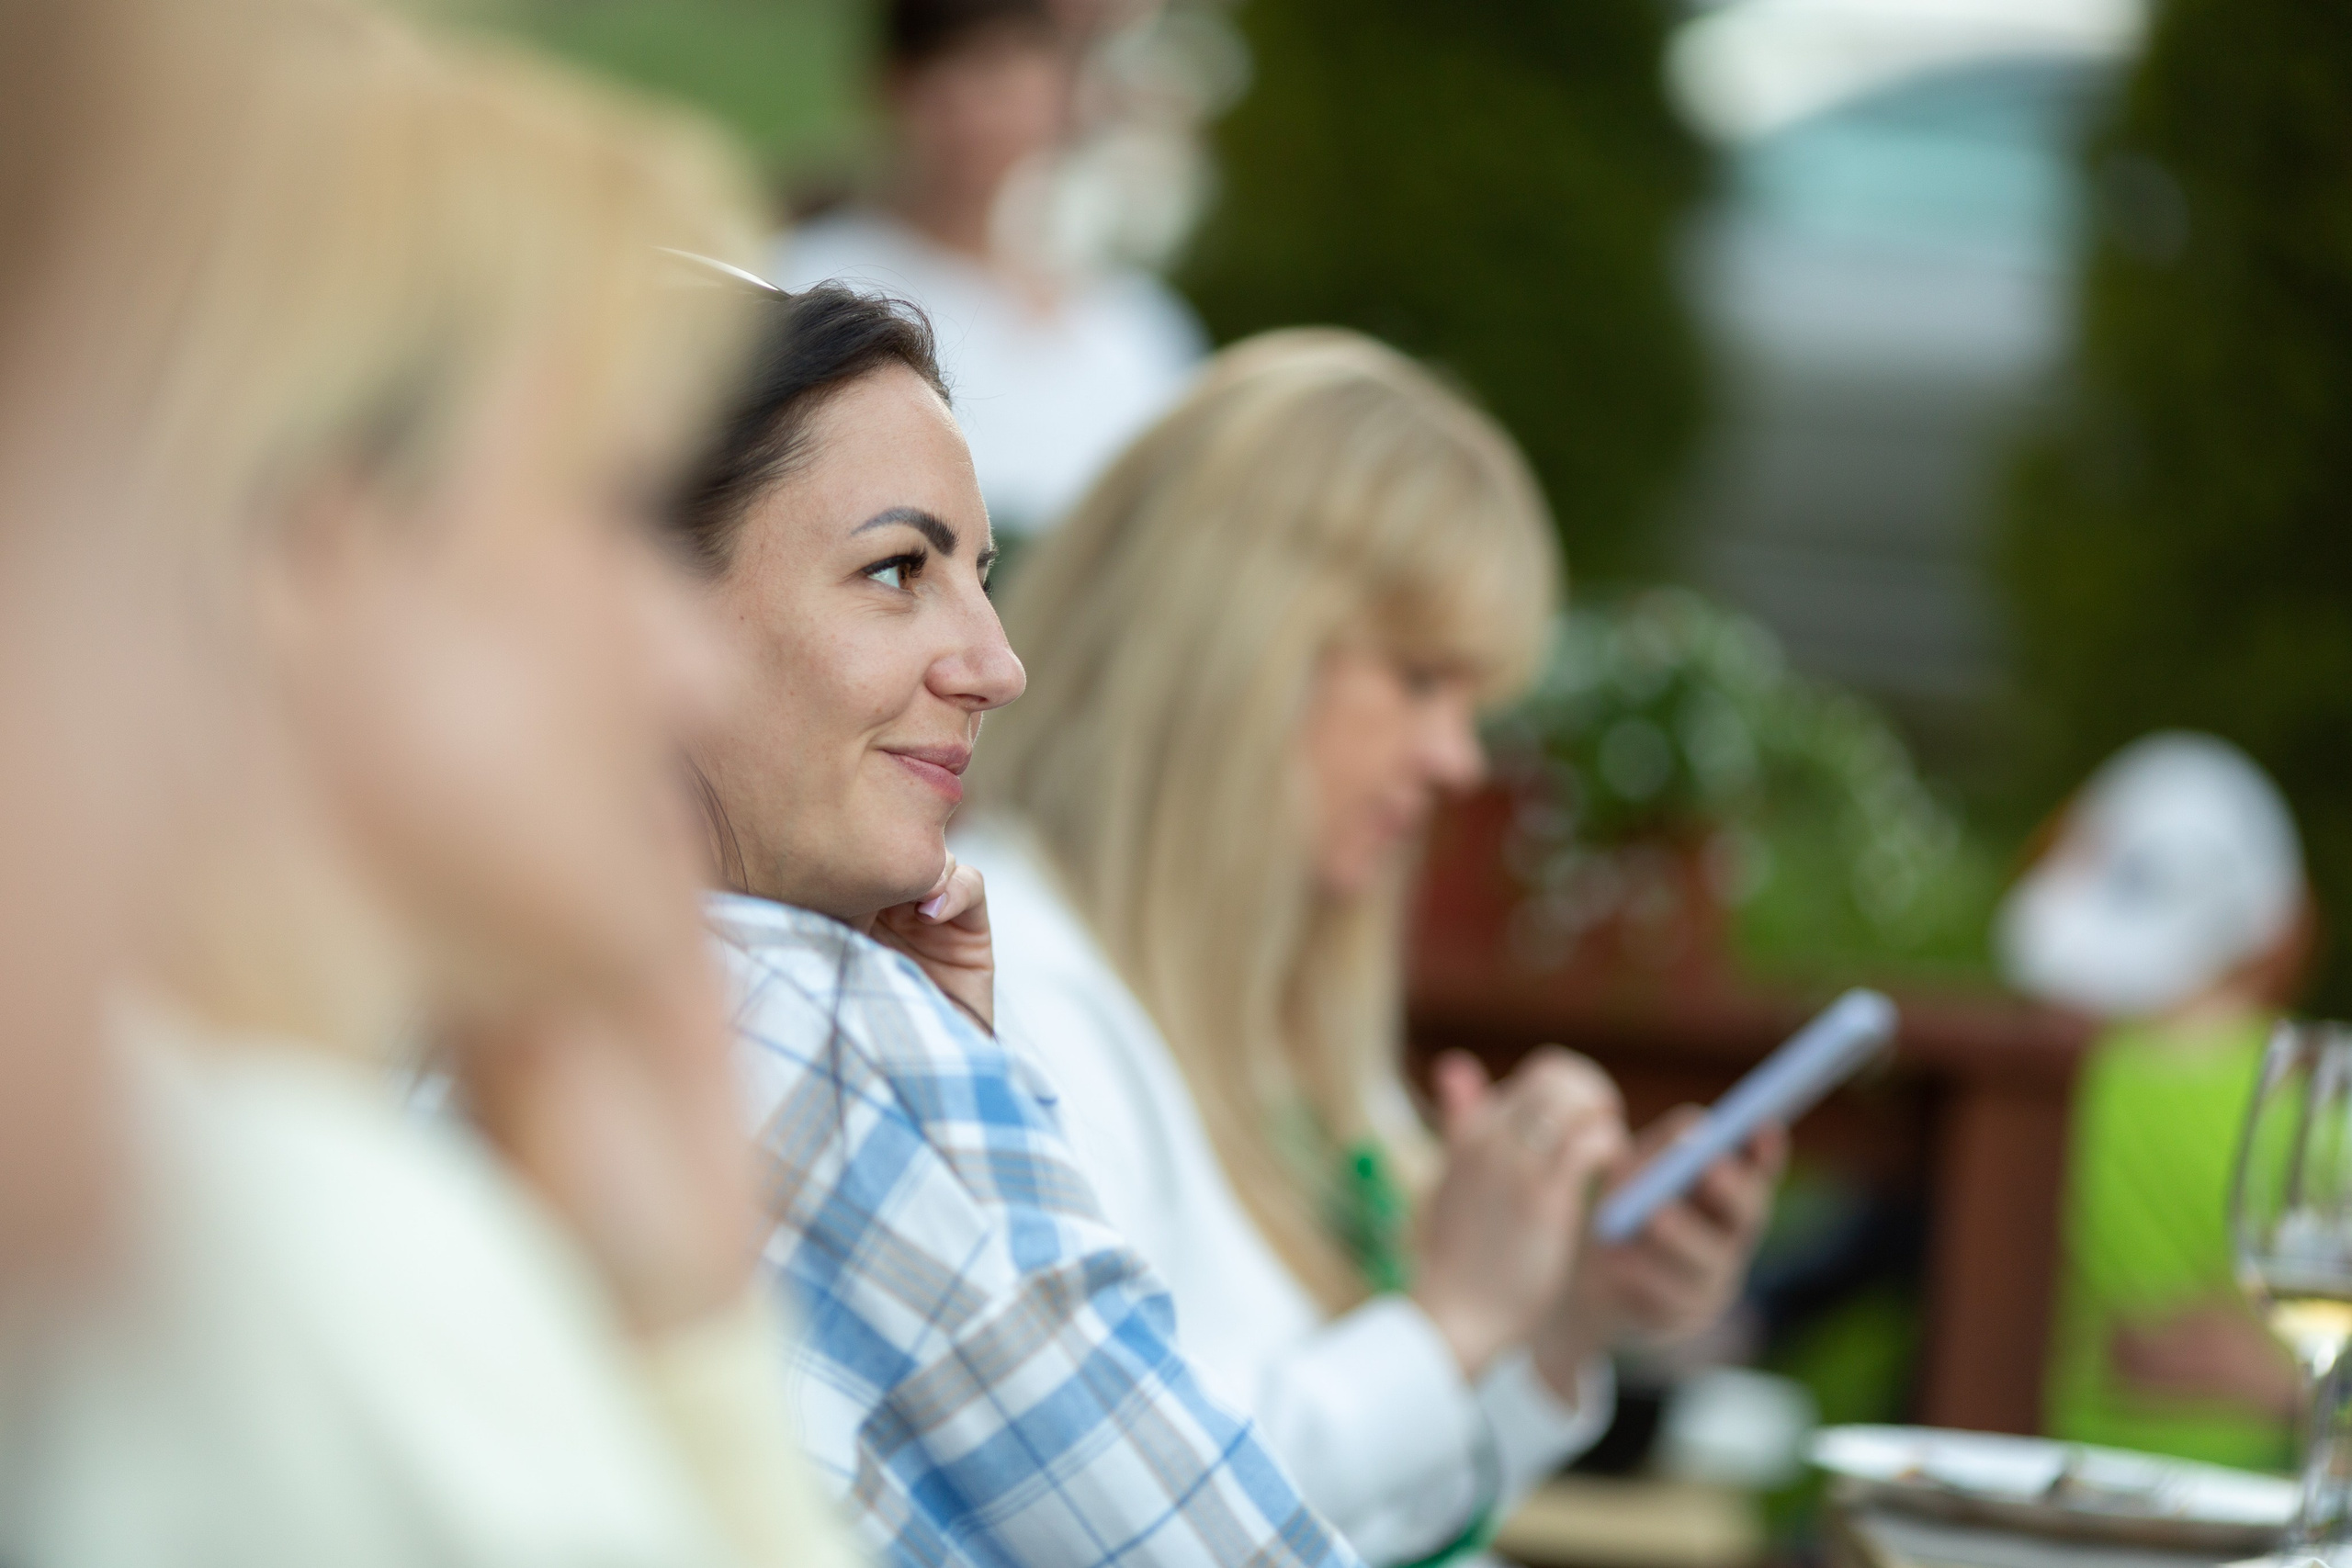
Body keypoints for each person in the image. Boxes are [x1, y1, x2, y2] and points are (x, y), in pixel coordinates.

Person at [0, 7, 851, 1564]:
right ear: (315, 535)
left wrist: (670, 1314)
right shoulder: (297, 1237)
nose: (694, 666)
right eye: (615, 507)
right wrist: (698, 1372)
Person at [956, 329, 1784, 1565]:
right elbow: (1137, 1517)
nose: (1457, 759)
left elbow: (1371, 1514)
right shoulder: (1004, 986)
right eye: (1418, 679)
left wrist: (1560, 1312)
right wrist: (1451, 1318)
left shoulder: (1262, 1007)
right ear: (1239, 648)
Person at [666, 279, 1363, 1568]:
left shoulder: (405, 996)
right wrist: (949, 1091)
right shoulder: (824, 1032)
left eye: (978, 579)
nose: (996, 661)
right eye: (896, 570)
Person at [771, 0, 1204, 538]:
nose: (973, 102)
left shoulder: (1136, 334)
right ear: (895, 83)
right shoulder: (800, 283)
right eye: (951, 64)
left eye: (1006, 65)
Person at [2008, 732, 2309, 1471]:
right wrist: (2282, 1385)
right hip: (2244, 1521)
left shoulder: (2040, 1074)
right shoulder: (2316, 1106)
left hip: (2027, 1495)